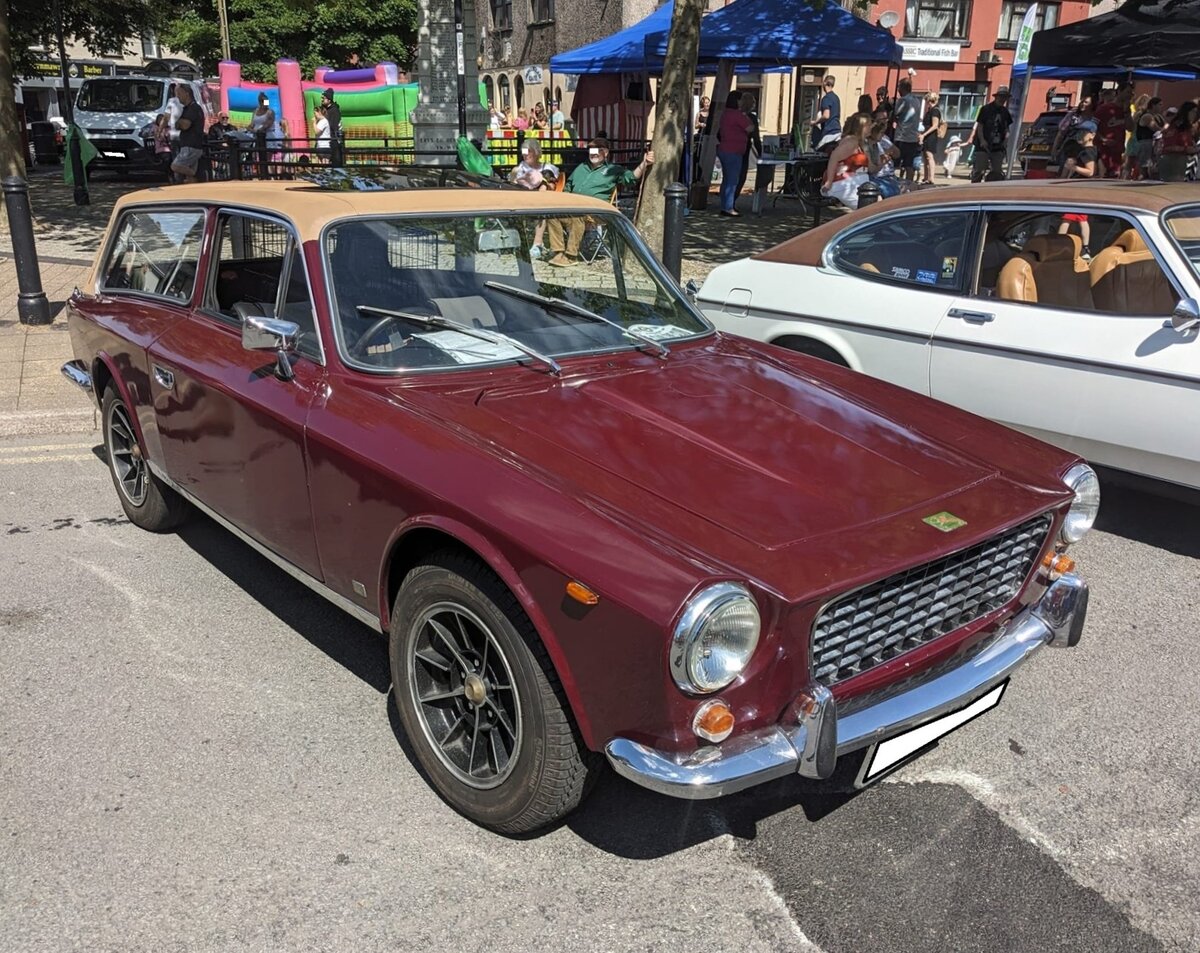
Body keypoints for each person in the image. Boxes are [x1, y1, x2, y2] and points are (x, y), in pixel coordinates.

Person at [545, 137, 653, 266]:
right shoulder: (581, 167)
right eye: (591, 150)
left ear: (605, 153)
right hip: (573, 209)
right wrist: (565, 200)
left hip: (596, 212)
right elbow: (568, 186)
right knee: (552, 214)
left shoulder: (613, 169)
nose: (594, 153)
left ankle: (571, 256)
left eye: (597, 150)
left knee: (578, 216)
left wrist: (644, 163)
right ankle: (558, 253)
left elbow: (630, 178)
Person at [512, 139, 559, 256]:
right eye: (524, 152)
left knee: (541, 209)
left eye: (529, 151)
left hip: (543, 202)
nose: (525, 154)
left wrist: (543, 183)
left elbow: (551, 187)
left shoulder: (547, 168)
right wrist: (514, 176)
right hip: (522, 200)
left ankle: (537, 244)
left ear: (537, 152)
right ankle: (519, 242)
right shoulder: (520, 168)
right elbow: (513, 185)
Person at [1059, 121, 1099, 257]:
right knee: (1081, 219)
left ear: (1092, 135)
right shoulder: (1087, 151)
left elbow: (1090, 171)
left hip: (1080, 189)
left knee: (1068, 218)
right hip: (1082, 188)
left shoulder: (1087, 152)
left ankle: (1057, 244)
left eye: (1083, 132)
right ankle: (1085, 248)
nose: (1080, 135)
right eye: (1079, 132)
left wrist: (1073, 167)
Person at [821, 113, 871, 209]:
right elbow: (834, 157)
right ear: (861, 127)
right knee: (867, 206)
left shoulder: (861, 143)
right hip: (842, 183)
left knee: (877, 202)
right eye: (868, 125)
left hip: (857, 183)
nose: (871, 127)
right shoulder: (851, 142)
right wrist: (829, 182)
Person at [716, 91, 753, 217]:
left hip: (724, 149)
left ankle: (724, 205)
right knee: (732, 181)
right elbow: (750, 128)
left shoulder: (725, 113)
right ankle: (728, 208)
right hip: (733, 151)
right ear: (737, 101)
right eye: (741, 99)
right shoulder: (737, 115)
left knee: (726, 179)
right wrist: (745, 115)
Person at [969, 86, 1013, 182]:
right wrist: (982, 140)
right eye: (1001, 96)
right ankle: (975, 187)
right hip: (983, 145)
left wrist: (1005, 141)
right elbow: (980, 126)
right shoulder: (986, 109)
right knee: (980, 169)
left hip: (998, 145)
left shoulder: (1005, 112)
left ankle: (990, 187)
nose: (1002, 99)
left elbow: (1007, 128)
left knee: (997, 171)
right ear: (996, 97)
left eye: (1005, 97)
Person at [170, 84, 205, 183]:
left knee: (176, 166)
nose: (177, 96)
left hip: (191, 145)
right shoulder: (186, 108)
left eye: (179, 93)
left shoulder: (193, 108)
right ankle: (194, 182)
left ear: (187, 93)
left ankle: (196, 175)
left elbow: (185, 125)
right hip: (187, 144)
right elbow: (178, 124)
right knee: (188, 178)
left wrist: (178, 122)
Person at [1094, 86, 1130, 178]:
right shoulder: (1104, 108)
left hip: (1118, 150)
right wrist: (1103, 139)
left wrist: (1127, 112)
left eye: (1131, 93)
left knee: (1115, 176)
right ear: (1119, 92)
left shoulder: (1125, 110)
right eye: (1128, 92)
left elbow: (1130, 128)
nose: (1130, 95)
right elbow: (1092, 126)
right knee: (1103, 177)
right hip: (1104, 150)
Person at [866, 109, 903, 198]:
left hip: (888, 176)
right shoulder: (867, 145)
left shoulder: (878, 143)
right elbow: (872, 170)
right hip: (878, 177)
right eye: (881, 120)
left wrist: (885, 158)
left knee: (913, 186)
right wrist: (884, 158)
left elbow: (897, 153)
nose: (885, 122)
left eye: (886, 119)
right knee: (899, 190)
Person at [892, 78, 923, 183]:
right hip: (913, 137)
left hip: (902, 136)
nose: (898, 90)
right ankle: (909, 183)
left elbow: (895, 113)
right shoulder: (916, 100)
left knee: (894, 163)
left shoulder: (903, 100)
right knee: (908, 164)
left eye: (899, 87)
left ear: (903, 88)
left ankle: (893, 182)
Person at [1051, 95, 1093, 170]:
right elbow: (1061, 134)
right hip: (1070, 148)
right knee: (1066, 169)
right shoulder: (1073, 115)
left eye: (1086, 102)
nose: (1083, 104)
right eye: (1082, 102)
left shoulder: (1094, 118)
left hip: (1086, 151)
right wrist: (1054, 150)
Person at [1158, 103, 1198, 182]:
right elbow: (1168, 146)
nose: (1195, 114)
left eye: (1196, 112)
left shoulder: (1188, 127)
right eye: (1193, 111)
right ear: (1186, 112)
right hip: (1172, 160)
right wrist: (1186, 149)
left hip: (1184, 161)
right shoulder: (1177, 126)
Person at [1125, 96, 1162, 179]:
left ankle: (1126, 178)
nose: (1161, 107)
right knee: (1142, 167)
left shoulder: (1142, 114)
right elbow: (1155, 128)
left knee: (1130, 165)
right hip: (1142, 142)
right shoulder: (1147, 116)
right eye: (1159, 105)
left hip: (1136, 140)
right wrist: (1165, 129)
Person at [735, 93, 762, 199]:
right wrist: (760, 153)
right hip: (744, 148)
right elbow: (756, 137)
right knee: (741, 176)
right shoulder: (752, 118)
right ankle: (732, 200)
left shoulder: (733, 114)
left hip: (730, 147)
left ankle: (728, 201)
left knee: (730, 177)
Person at [811, 75, 841, 151]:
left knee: (818, 151)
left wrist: (815, 122)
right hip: (838, 132)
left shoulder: (826, 98)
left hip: (829, 133)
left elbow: (826, 115)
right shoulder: (836, 98)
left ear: (824, 83)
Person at [920, 91, 943, 185]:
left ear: (930, 101)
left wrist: (924, 134)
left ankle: (931, 177)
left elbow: (935, 125)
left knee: (929, 156)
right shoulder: (929, 111)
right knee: (925, 156)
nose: (926, 103)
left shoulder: (935, 111)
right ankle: (926, 177)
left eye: (927, 100)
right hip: (926, 135)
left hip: (931, 136)